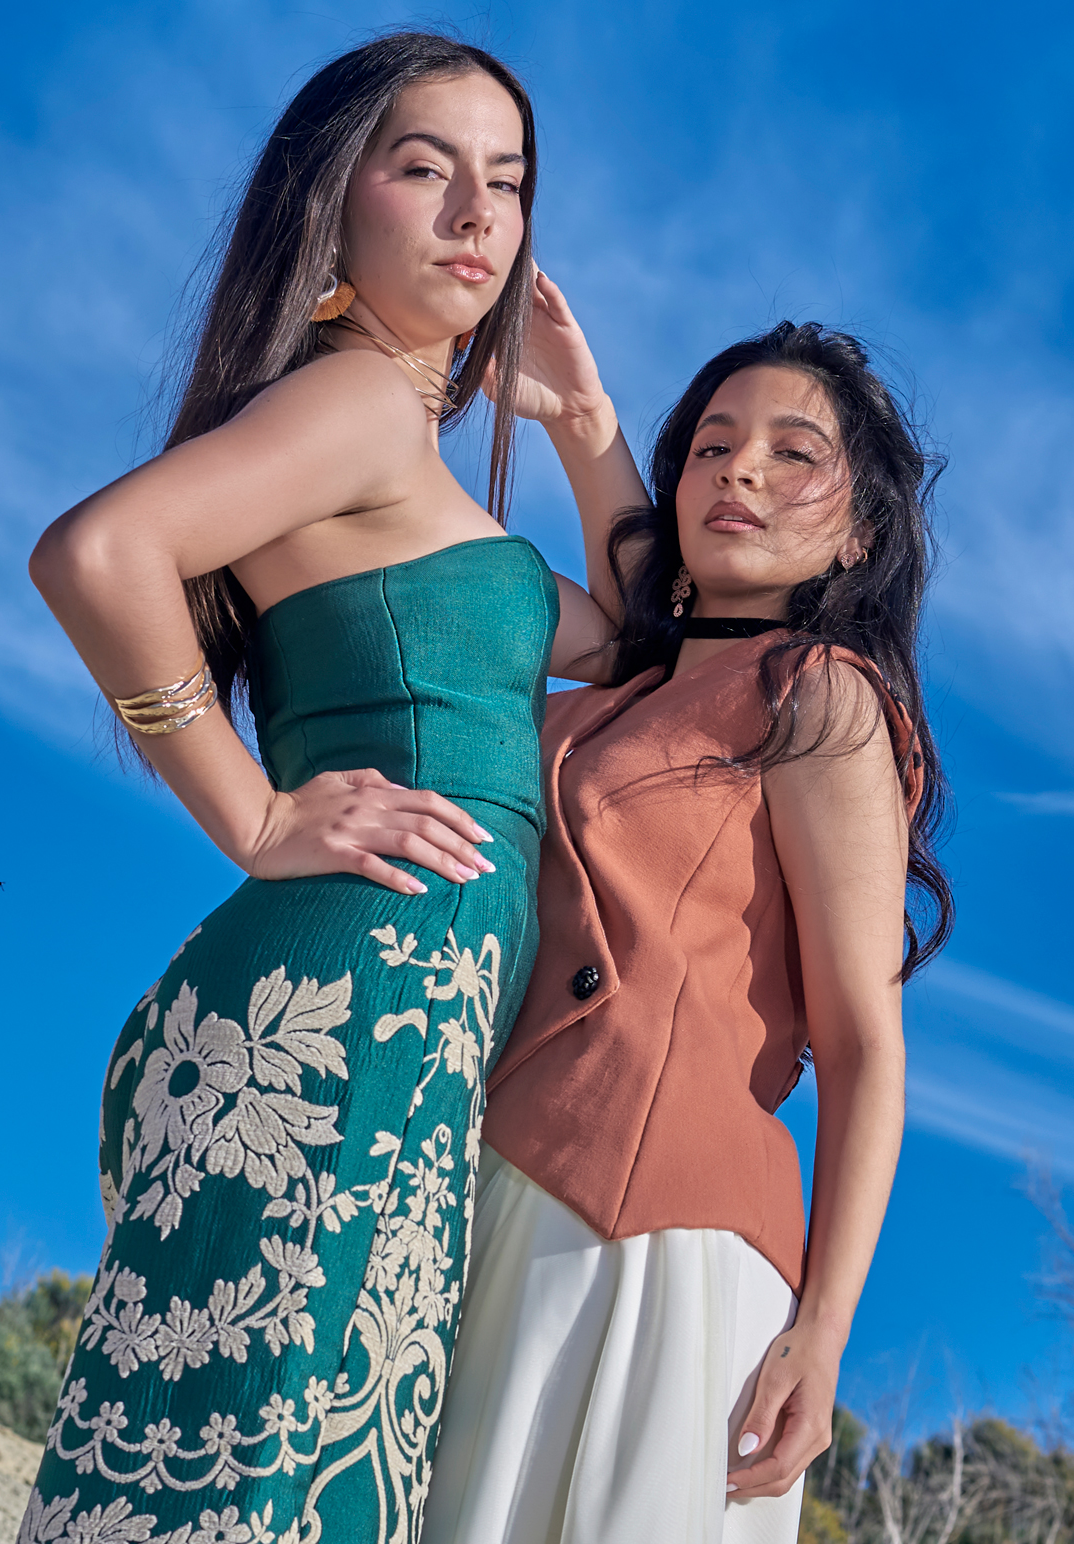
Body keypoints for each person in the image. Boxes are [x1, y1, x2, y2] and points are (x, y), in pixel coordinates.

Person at [17, 34, 641, 1544]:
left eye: (508, 182)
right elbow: (98, 553)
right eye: (425, 168)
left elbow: (635, 647)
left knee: (292, 1472)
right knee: (257, 1473)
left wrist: (581, 425)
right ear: (332, 198)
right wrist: (250, 813)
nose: (477, 214)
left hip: (408, 1022)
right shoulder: (354, 400)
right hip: (347, 1001)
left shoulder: (410, 457)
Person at [422, 320, 953, 1544]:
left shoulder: (818, 696)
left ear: (860, 530)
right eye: (712, 446)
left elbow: (863, 1044)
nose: (740, 469)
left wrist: (823, 1328)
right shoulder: (609, 694)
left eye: (791, 452)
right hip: (479, 1185)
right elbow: (643, 611)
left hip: (652, 1240)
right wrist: (580, 416)